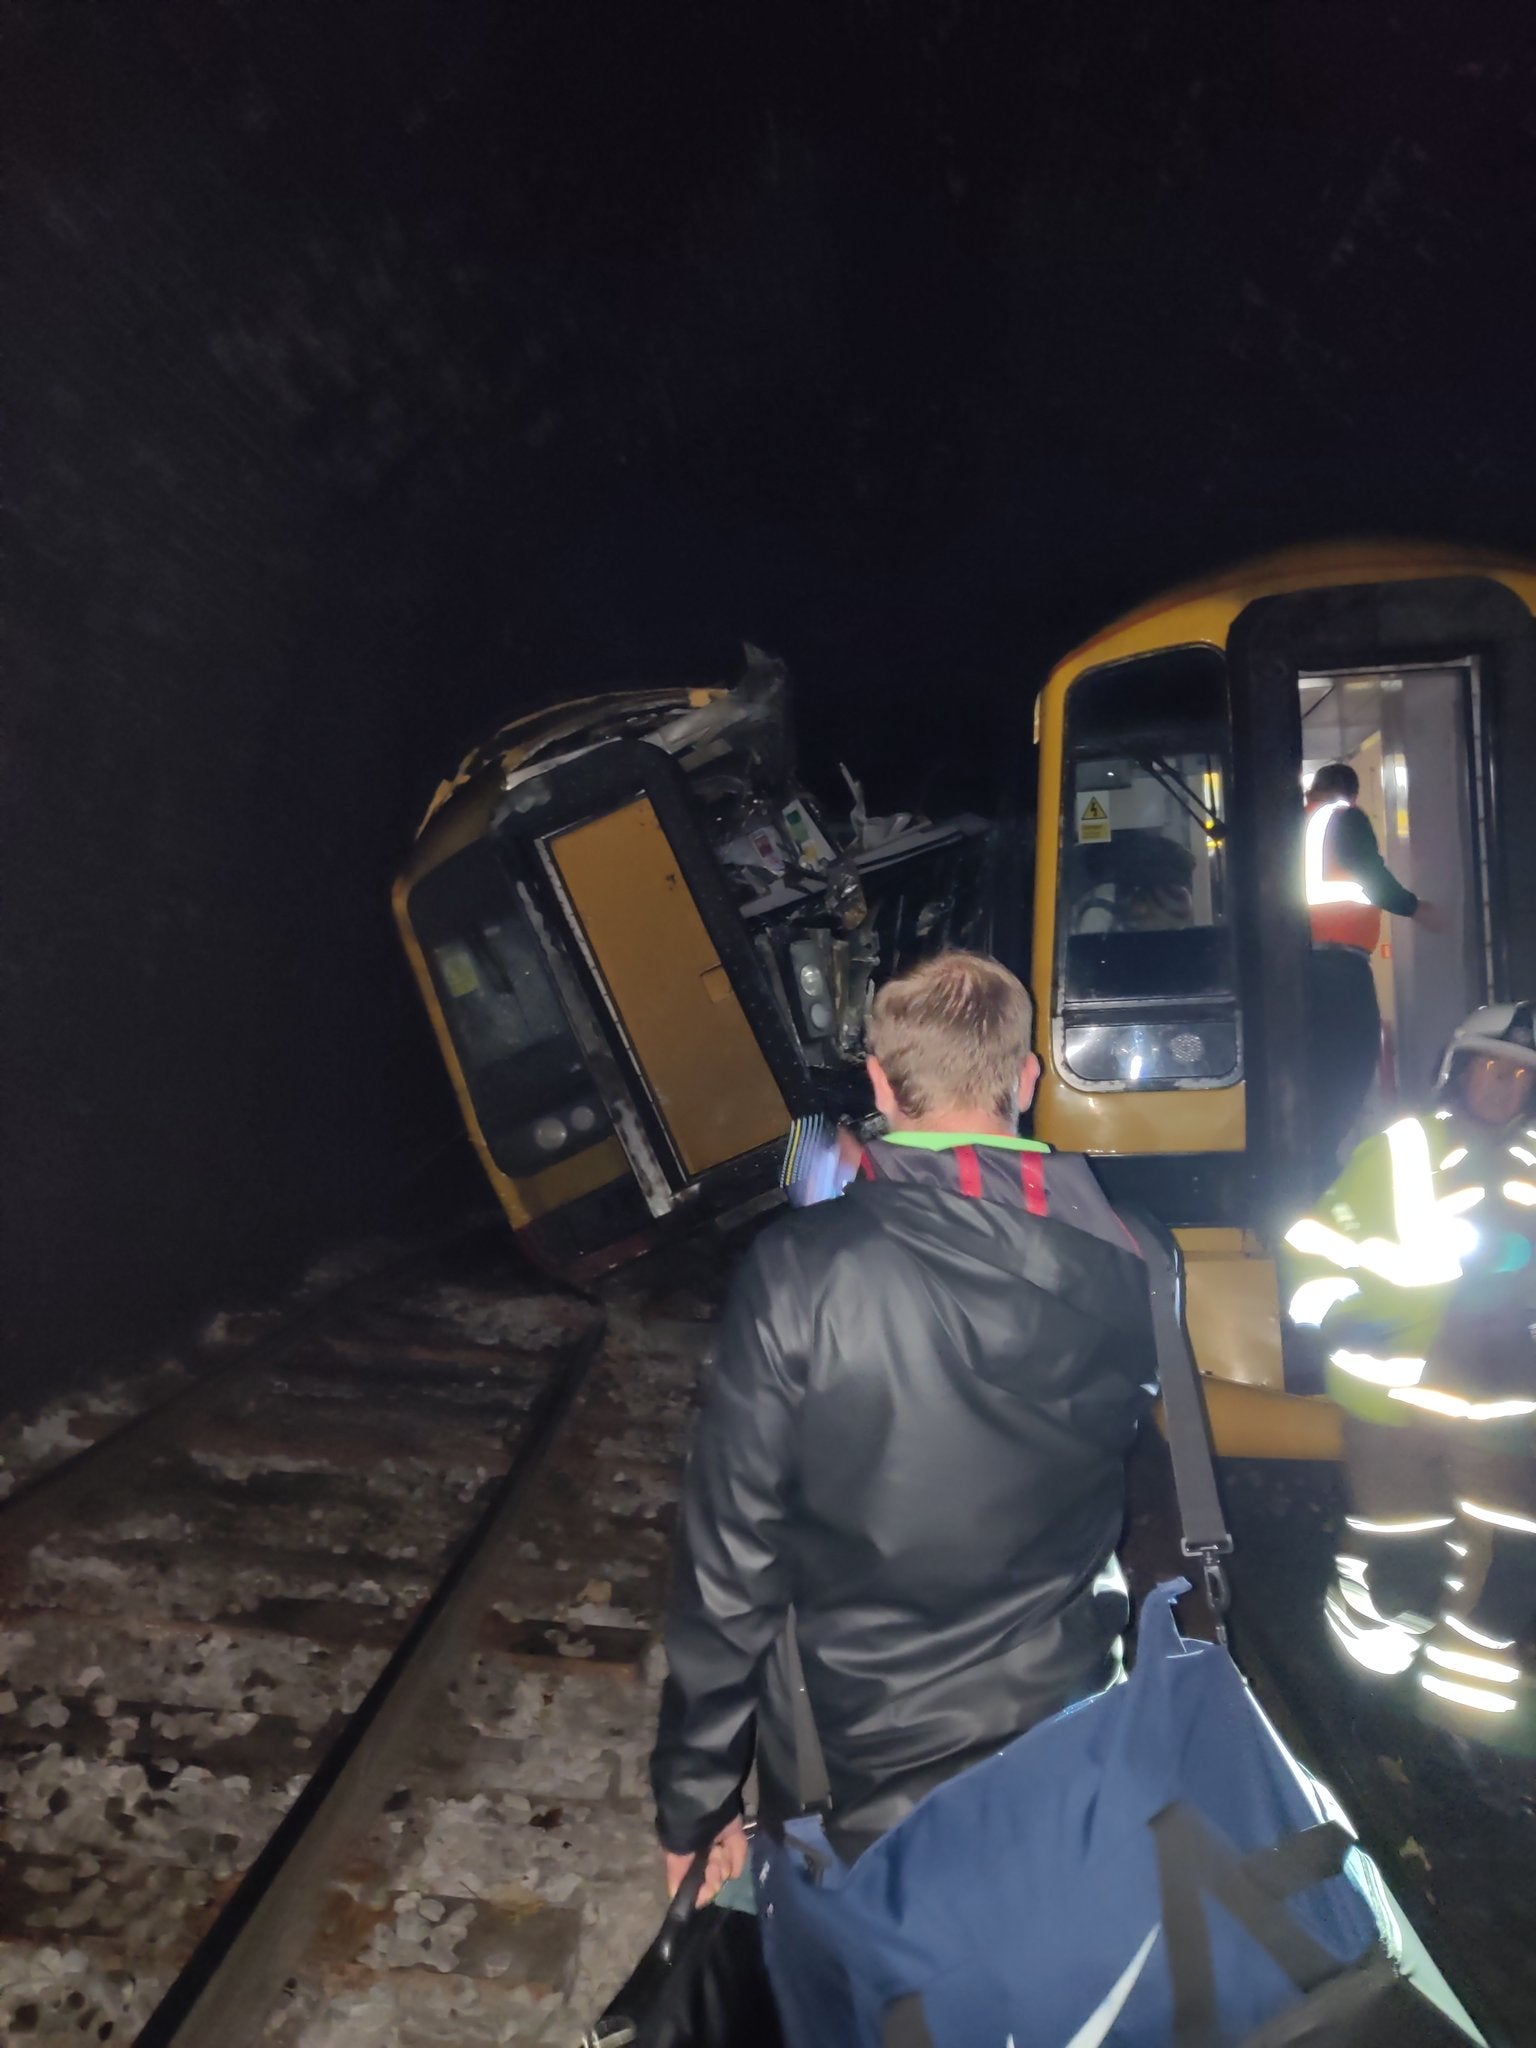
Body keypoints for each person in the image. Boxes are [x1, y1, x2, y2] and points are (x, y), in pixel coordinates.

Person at [649, 949, 1158, 1904]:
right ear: (1027, 1079)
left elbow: (730, 1569)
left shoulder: (802, 1271)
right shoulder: (1141, 1257)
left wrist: (696, 1797)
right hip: (1074, 1713)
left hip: (854, 1756)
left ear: (881, 1083)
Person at [1284, 1002, 1536, 1749]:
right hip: (1393, 1399)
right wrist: (1337, 1312)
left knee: (1507, 1582)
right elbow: (1312, 1243)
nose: (1506, 1085)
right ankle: (1365, 1703)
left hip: (1503, 1405)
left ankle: (1461, 1736)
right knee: (1405, 1575)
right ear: (1458, 1071)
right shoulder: (1401, 1150)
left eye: (1521, 1074)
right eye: (1492, 1066)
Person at [1303, 761, 1440, 1190]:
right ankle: (1329, 1165)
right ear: (1352, 795)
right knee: (1352, 1064)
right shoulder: (1343, 818)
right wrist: (1417, 909)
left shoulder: (1288, 822)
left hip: (1296, 969)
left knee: (1315, 1067)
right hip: (1340, 967)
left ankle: (1312, 1159)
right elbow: (1371, 874)